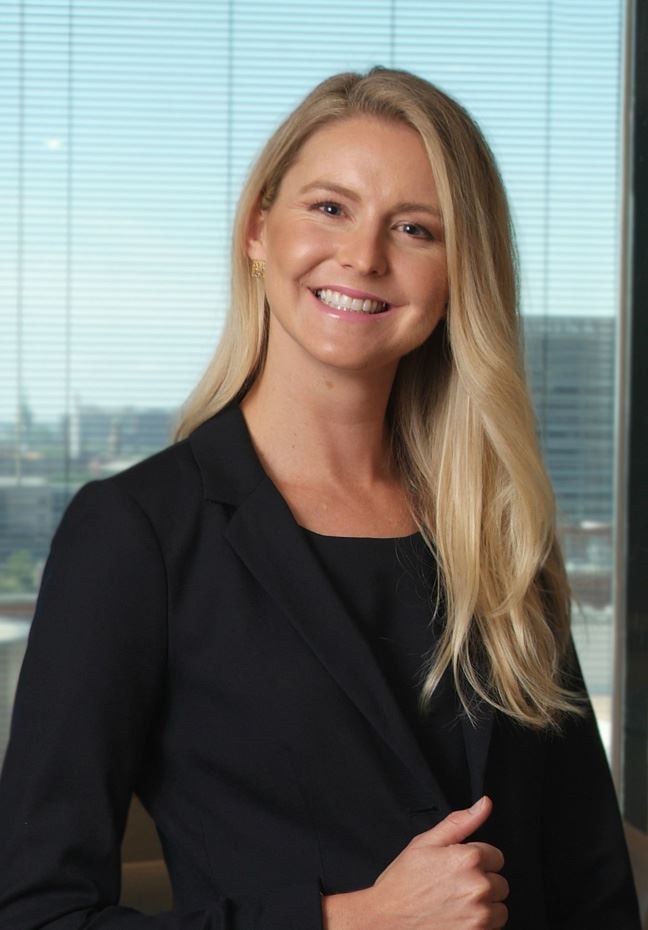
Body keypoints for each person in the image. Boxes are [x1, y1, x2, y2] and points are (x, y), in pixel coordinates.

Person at [0, 67, 640, 930]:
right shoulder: (136, 535)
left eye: (415, 228)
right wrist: (356, 921)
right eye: (330, 208)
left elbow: (592, 883)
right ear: (259, 230)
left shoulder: (502, 533)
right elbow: (37, 911)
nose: (365, 256)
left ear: (460, 274)